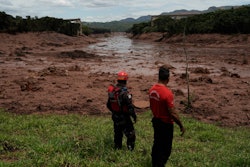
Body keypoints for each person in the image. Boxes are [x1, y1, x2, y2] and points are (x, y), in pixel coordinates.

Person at [149, 65, 185, 167]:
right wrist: (181, 125)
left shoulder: (152, 90)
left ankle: (155, 163)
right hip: (166, 124)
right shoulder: (167, 93)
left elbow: (152, 106)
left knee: (157, 143)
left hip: (156, 120)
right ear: (168, 79)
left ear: (158, 77)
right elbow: (172, 112)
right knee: (166, 148)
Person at [106, 71, 137, 151]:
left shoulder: (113, 91)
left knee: (118, 133)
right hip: (124, 117)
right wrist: (134, 116)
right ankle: (130, 150)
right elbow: (130, 107)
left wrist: (114, 112)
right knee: (131, 134)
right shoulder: (125, 93)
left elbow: (108, 104)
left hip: (115, 116)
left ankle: (117, 148)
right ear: (126, 80)